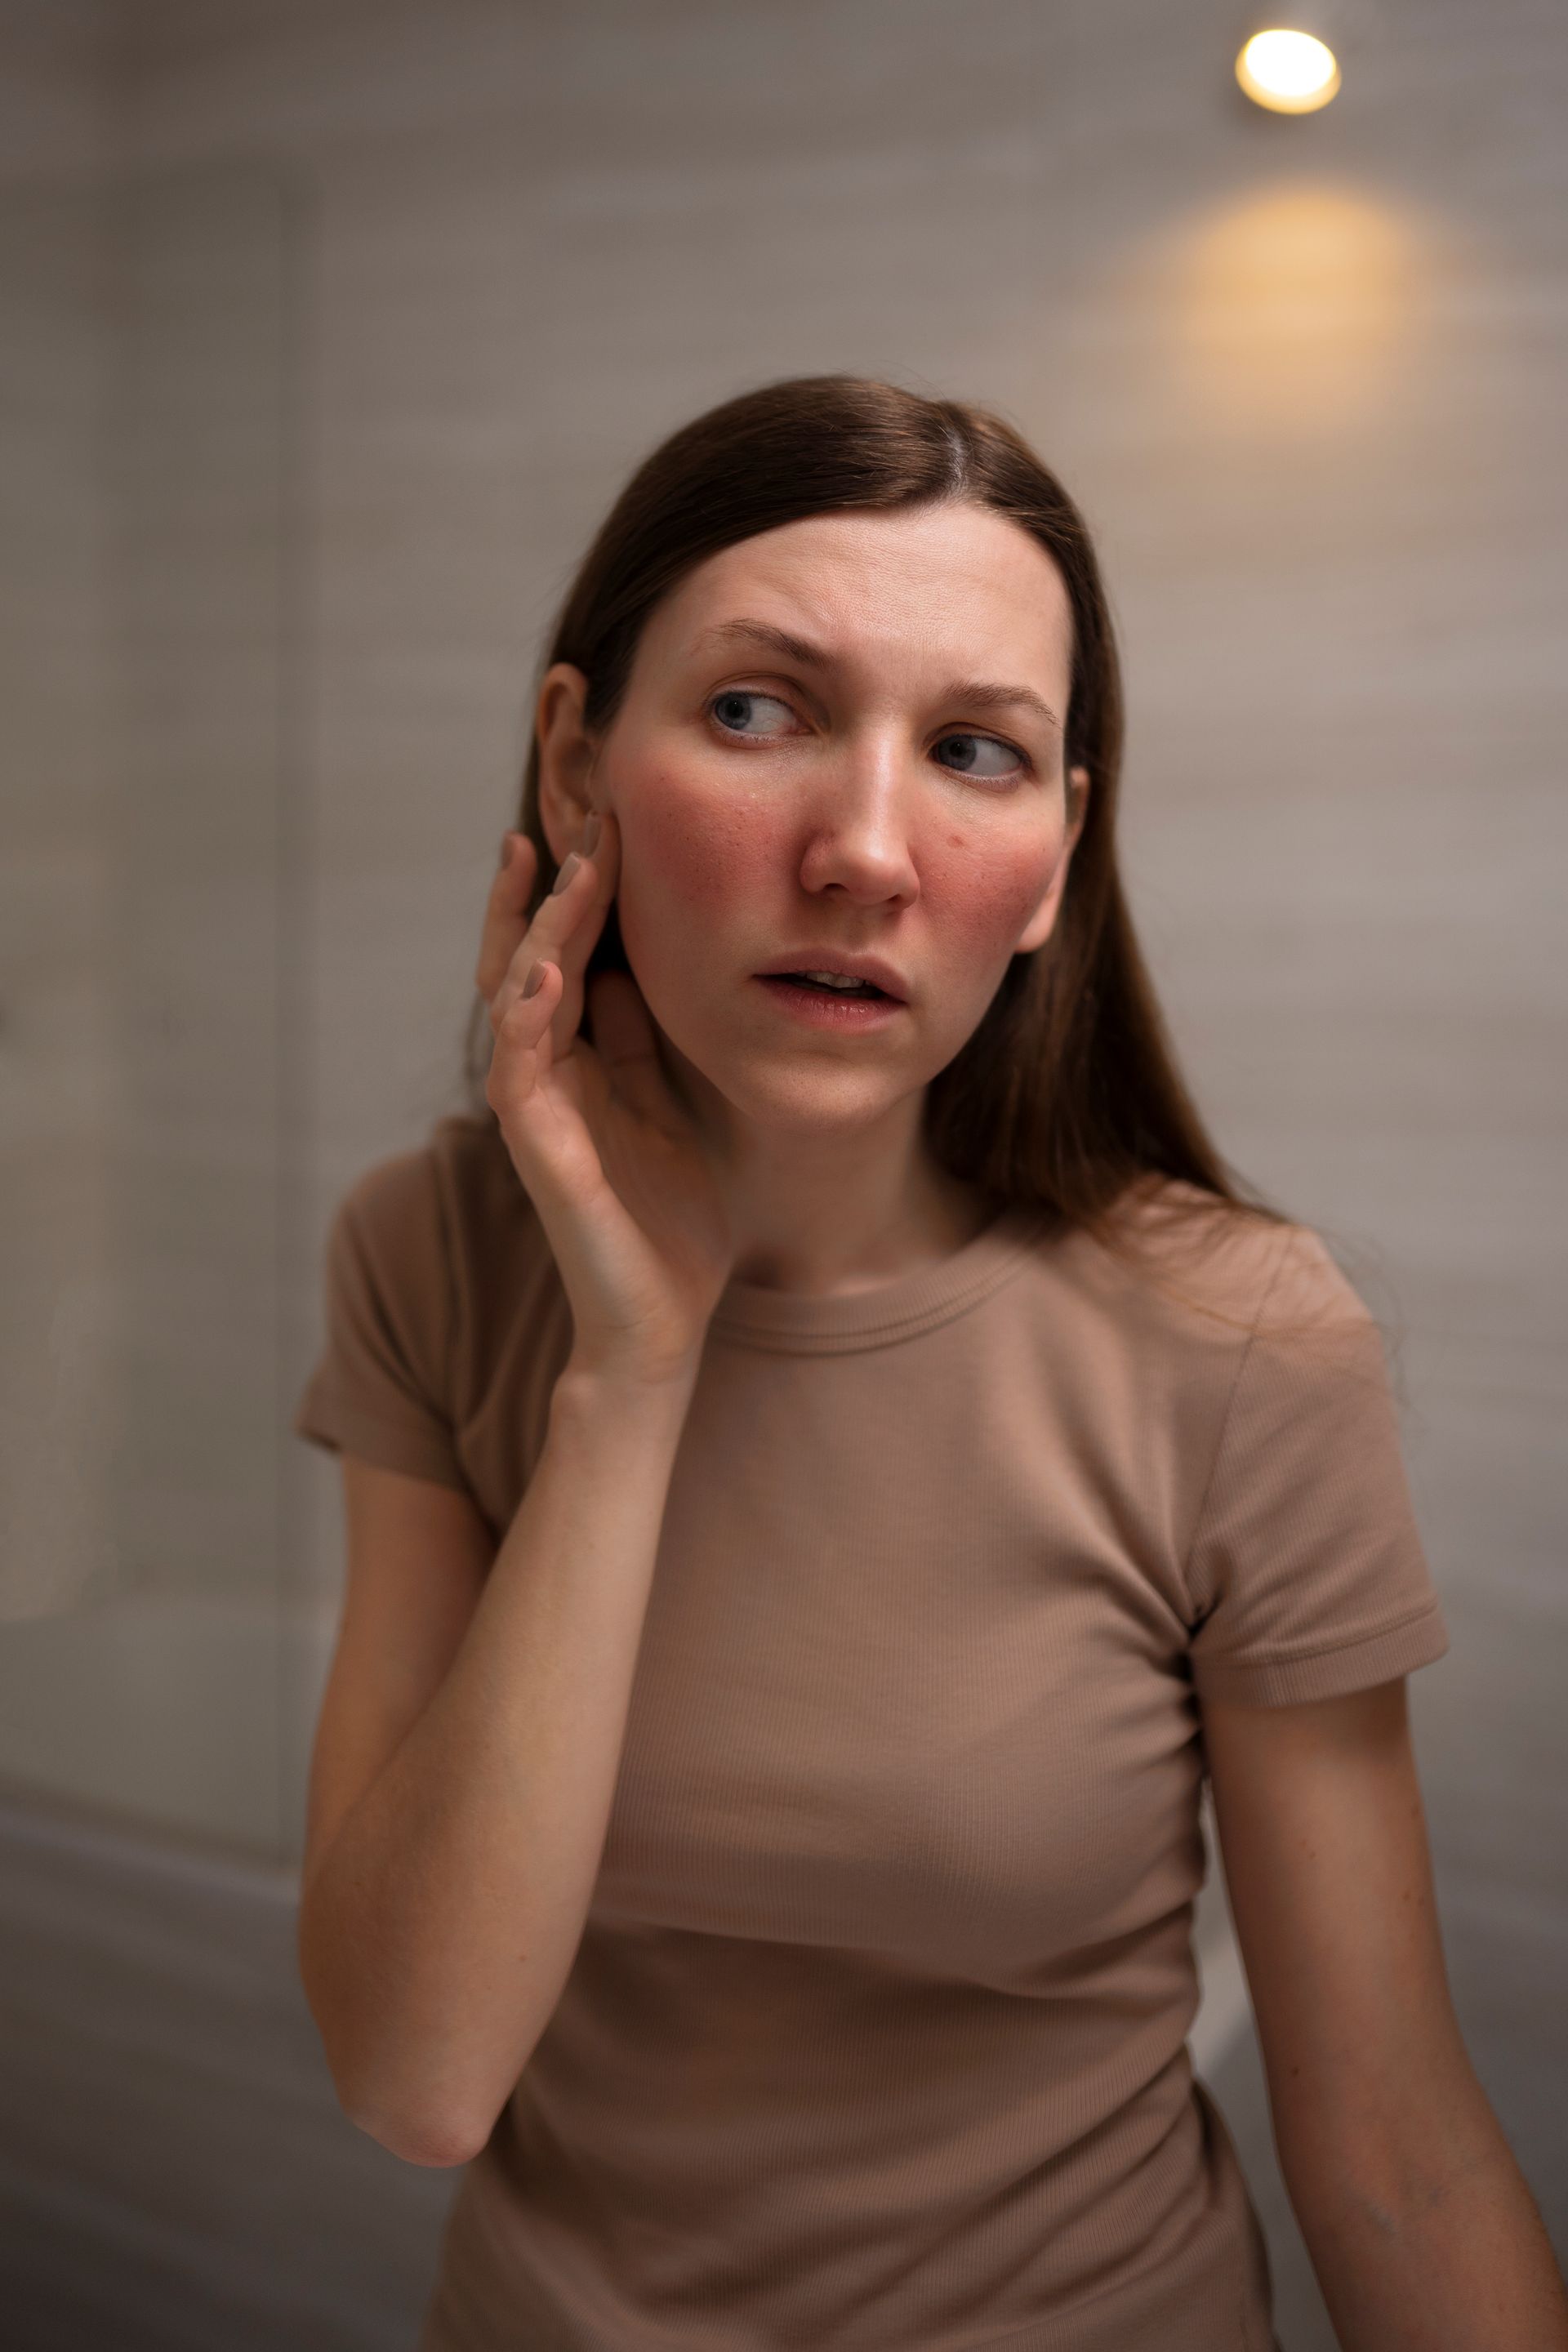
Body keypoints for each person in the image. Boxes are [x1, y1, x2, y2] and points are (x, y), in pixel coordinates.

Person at [291, 374, 1454, 2351]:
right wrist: (628, 1376)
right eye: (759, 710)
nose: (865, 852)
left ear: (1062, 848)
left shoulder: (1243, 1345)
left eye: (980, 752)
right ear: (577, 763)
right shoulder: (430, 1254)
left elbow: (1396, 2157)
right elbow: (418, 2076)